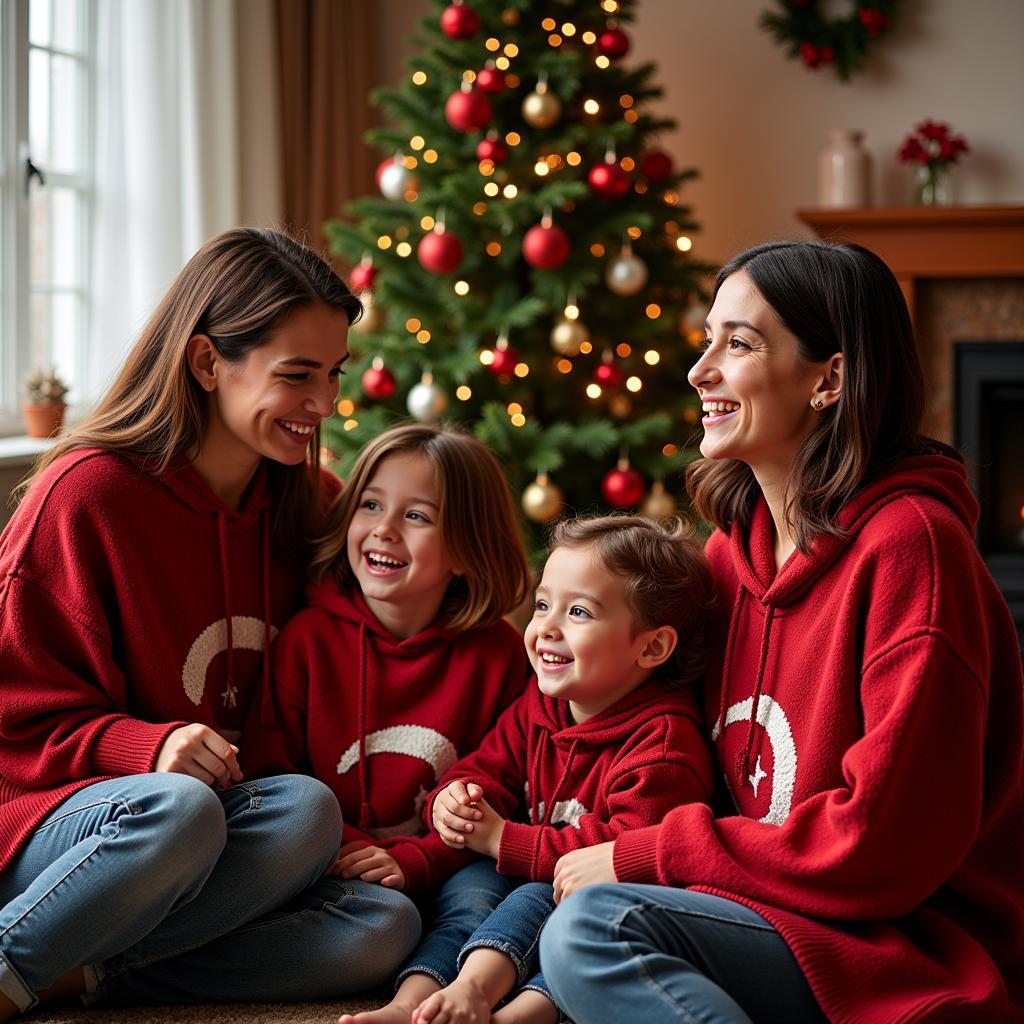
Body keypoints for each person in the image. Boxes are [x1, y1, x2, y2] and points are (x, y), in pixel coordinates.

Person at [539, 240, 1024, 1024]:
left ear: (828, 378)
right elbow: (647, 724)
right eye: (708, 340)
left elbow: (883, 844)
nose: (700, 371)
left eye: (738, 343)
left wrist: (650, 854)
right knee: (554, 907)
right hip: (769, 911)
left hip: (903, 949)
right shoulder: (730, 553)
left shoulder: (913, 548)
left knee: (598, 930)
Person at [0, 228, 420, 1018]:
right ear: (205, 364)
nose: (325, 406)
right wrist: (145, 745)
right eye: (297, 376)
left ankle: (81, 973)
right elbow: (11, 720)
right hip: (67, 832)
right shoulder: (87, 496)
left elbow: (357, 665)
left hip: (213, 840)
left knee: (370, 912)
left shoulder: (310, 502)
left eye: (334, 375)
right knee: (181, 809)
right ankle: (11, 962)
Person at [408, 515, 716, 1024]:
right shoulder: (541, 704)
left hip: (599, 903)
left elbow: (625, 850)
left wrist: (505, 839)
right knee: (468, 889)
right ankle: (413, 999)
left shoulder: (664, 740)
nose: (546, 627)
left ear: (652, 646)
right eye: (543, 605)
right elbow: (490, 766)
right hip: (531, 870)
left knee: (540, 897)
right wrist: (458, 796)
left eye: (578, 612)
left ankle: (492, 1002)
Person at [252, 421, 532, 892]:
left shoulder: (498, 654)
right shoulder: (308, 640)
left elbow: (503, 786)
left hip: (454, 865)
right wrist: (356, 853)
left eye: (417, 516)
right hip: (333, 865)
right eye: (371, 505)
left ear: (467, 548)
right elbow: (275, 782)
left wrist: (420, 859)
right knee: (387, 920)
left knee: (488, 901)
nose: (384, 529)